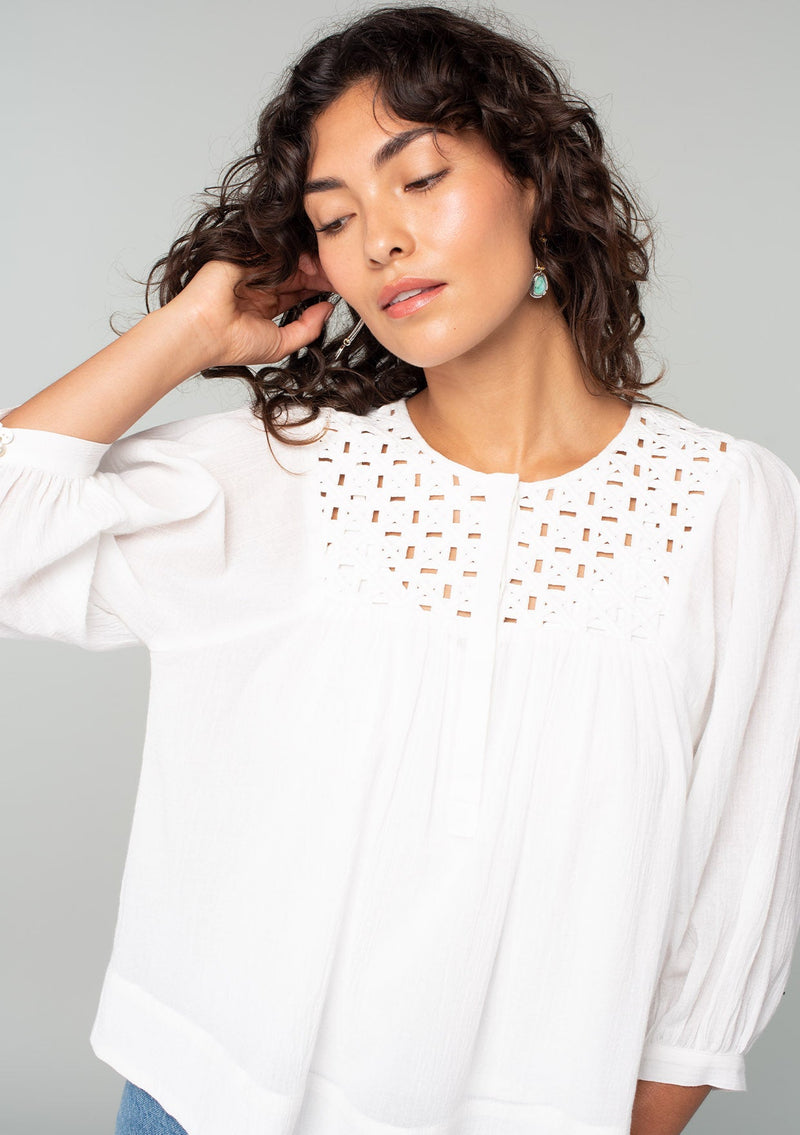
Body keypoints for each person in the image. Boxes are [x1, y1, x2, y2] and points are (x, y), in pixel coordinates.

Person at [1, 5, 799, 1135]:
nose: (377, 240)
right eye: (335, 219)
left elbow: (737, 872)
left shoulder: (729, 502)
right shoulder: (282, 471)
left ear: (531, 178)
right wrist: (187, 330)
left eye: (418, 178)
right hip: (212, 1103)